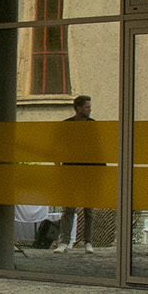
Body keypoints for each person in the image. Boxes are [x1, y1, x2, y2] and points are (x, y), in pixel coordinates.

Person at [54, 95, 95, 250]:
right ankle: (64, 241)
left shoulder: (92, 125)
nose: (89, 110)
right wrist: (58, 166)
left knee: (88, 208)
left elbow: (98, 149)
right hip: (70, 170)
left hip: (87, 171)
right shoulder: (67, 125)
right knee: (68, 208)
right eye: (87, 107)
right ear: (78, 108)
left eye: (89, 107)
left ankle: (88, 241)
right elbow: (56, 146)